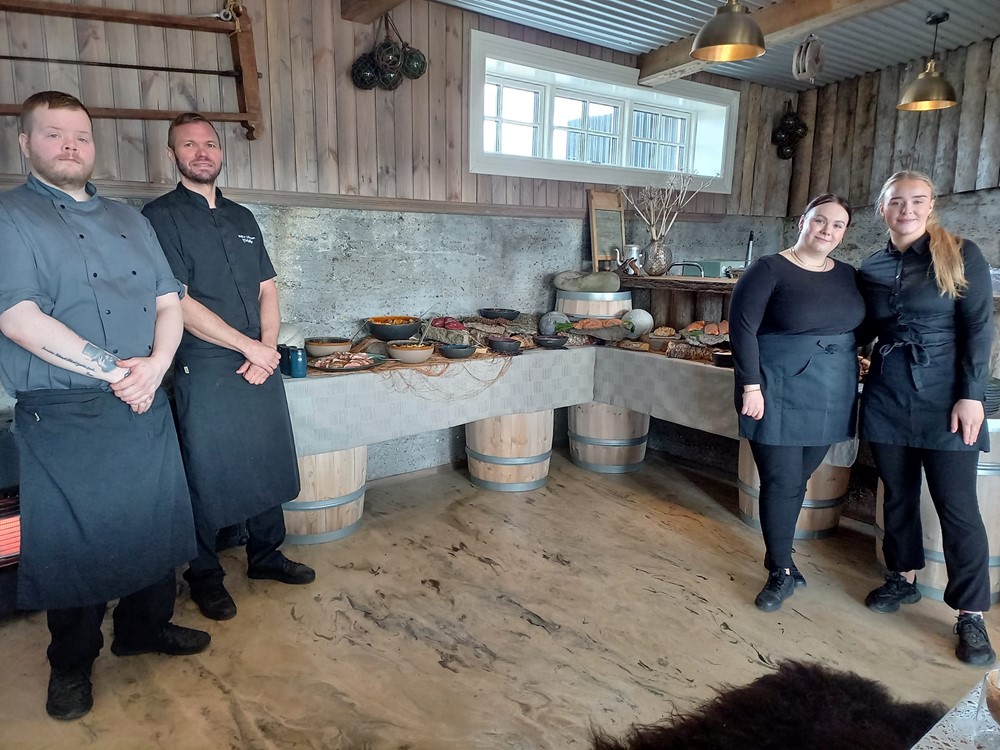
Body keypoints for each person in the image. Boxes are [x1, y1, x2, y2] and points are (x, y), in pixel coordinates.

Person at [0, 91, 209, 721]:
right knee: (74, 548)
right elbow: (17, 316)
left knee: (154, 527)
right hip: (63, 411)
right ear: (24, 143)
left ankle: (144, 629)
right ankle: (71, 661)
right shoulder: (10, 215)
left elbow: (169, 301)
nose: (71, 147)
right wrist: (114, 370)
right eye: (55, 135)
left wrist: (156, 368)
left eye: (82, 137)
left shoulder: (129, 216)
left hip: (143, 396)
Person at [142, 113, 314, 623]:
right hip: (206, 362)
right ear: (171, 155)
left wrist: (266, 347)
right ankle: (205, 577)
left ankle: (266, 556)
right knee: (204, 470)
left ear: (221, 153)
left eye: (210, 144)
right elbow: (177, 301)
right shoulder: (158, 216)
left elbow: (267, 289)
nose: (201, 152)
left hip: (258, 357)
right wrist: (251, 349)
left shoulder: (243, 217)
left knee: (266, 456)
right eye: (188, 145)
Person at [858, 170, 995, 666]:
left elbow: (979, 328)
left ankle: (971, 613)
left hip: (945, 397)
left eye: (917, 201)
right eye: (897, 201)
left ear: (931, 204)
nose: (907, 209)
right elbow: (861, 329)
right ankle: (902, 577)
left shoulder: (960, 253)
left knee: (957, 506)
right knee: (897, 494)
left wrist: (972, 395)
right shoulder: (870, 266)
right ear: (882, 208)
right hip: (889, 393)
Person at [730, 193, 864, 612]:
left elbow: (861, 324)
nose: (827, 230)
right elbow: (742, 329)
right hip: (777, 387)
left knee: (798, 480)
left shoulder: (848, 275)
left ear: (844, 233)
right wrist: (751, 386)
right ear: (803, 221)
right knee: (783, 482)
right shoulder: (768, 268)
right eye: (820, 220)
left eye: (837, 225)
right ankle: (781, 572)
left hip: (832, 389)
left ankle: (779, 557)